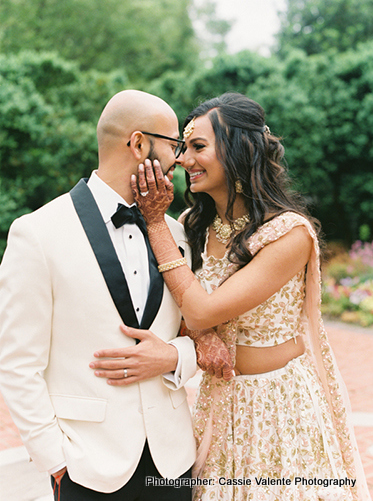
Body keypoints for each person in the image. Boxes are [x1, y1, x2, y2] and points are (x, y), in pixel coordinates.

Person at [130, 93, 370, 500]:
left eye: (198, 147)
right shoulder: (192, 226)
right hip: (219, 404)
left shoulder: (289, 234)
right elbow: (181, 313)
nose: (183, 160)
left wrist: (155, 223)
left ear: (239, 150)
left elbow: (202, 308)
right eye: (183, 148)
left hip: (280, 405)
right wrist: (201, 340)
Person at [0, 89, 202, 500]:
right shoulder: (37, 233)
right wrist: (55, 462)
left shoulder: (177, 236)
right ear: (139, 143)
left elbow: (203, 332)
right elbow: (18, 362)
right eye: (174, 144)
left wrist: (175, 356)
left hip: (173, 459)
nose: (180, 158)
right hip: (86, 467)